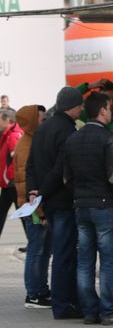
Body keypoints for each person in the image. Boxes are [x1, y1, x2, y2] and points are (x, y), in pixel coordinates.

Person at [63, 92, 113, 325]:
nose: (112, 111)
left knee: (84, 261)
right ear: (102, 111)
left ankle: (90, 311)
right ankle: (109, 311)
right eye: (110, 107)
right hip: (106, 206)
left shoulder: (72, 139)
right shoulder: (109, 139)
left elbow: (66, 178)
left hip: (81, 206)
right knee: (108, 261)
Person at [26, 86, 83, 320]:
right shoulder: (67, 131)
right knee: (64, 254)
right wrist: (43, 193)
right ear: (73, 106)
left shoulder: (43, 128)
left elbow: (31, 164)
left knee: (57, 252)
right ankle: (64, 303)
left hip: (47, 201)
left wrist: (33, 192)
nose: (81, 108)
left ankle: (64, 301)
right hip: (61, 200)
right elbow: (62, 169)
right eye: (79, 105)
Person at [14, 105, 51, 308]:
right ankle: (33, 293)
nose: (45, 122)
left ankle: (40, 289)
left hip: (32, 206)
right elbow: (28, 182)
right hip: (32, 207)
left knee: (41, 250)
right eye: (42, 119)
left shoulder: (31, 141)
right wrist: (40, 211)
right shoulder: (28, 145)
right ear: (32, 121)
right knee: (36, 250)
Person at [0, 109, 23, 236]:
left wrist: (10, 178)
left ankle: (34, 242)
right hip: (8, 183)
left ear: (7, 120)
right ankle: (33, 242)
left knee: (23, 214)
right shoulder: (7, 134)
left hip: (12, 183)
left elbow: (17, 160)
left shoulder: (13, 135)